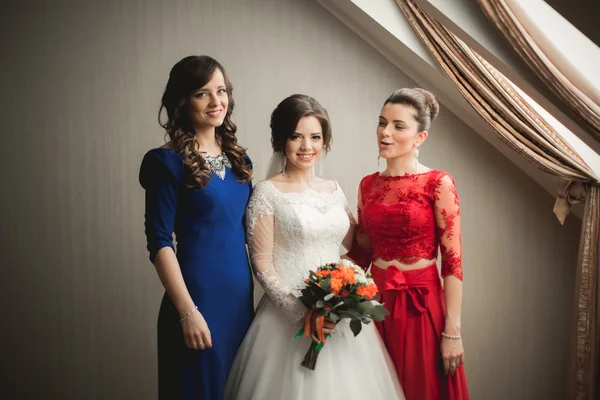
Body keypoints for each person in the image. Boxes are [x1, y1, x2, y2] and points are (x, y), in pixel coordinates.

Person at [224, 94, 404, 400]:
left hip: (338, 314)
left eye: (315, 137)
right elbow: (261, 263)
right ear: (281, 139)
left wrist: (350, 295)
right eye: (297, 136)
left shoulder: (334, 189)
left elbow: (350, 246)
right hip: (287, 319)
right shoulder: (267, 193)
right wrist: (302, 313)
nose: (307, 147)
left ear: (325, 141)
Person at [139, 55, 254, 399]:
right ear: (182, 100)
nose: (217, 102)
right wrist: (187, 311)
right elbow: (159, 242)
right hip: (196, 302)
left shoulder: (240, 161)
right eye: (203, 93)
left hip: (240, 305)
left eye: (221, 91)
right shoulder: (166, 161)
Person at [347, 88, 470, 399]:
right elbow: (362, 252)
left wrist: (452, 332)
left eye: (398, 126)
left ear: (420, 137)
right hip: (374, 304)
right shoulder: (367, 184)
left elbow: (453, 262)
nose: (385, 133)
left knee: (420, 389)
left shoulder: (438, 182)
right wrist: (331, 294)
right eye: (382, 122)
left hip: (421, 306)